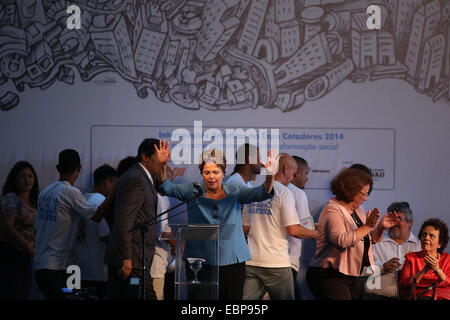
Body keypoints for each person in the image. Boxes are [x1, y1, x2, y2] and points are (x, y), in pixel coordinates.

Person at [155, 141, 279, 300]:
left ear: (223, 171)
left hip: (232, 262)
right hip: (199, 262)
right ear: (201, 173)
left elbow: (261, 193)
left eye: (216, 171)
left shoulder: (235, 190)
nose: (211, 176)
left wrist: (270, 176)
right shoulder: (193, 190)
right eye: (207, 172)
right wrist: (162, 165)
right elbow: (166, 187)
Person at [34, 149, 116, 300]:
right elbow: (96, 216)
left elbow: (42, 227)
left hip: (41, 265)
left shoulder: (44, 193)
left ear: (58, 167)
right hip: (59, 268)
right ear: (79, 168)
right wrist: (113, 194)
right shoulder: (71, 193)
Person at [306, 168, 399, 300]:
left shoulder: (358, 210)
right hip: (329, 275)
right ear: (351, 190)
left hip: (351, 274)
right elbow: (342, 240)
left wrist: (381, 227)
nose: (366, 199)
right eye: (363, 194)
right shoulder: (332, 210)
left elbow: (367, 239)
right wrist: (368, 226)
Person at [243, 154, 318, 300]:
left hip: (252, 261)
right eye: (293, 172)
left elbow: (245, 228)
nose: (294, 176)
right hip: (276, 264)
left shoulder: (253, 192)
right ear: (285, 169)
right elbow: (293, 229)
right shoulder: (285, 193)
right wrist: (316, 234)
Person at [105, 139, 163, 300]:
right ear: (145, 156)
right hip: (132, 259)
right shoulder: (136, 178)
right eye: (158, 157)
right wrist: (127, 258)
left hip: (138, 258)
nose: (162, 161)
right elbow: (124, 221)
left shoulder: (142, 176)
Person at [73, 164, 117, 299]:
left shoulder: (81, 199)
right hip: (97, 272)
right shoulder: (101, 202)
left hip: (76, 269)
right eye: (114, 184)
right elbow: (104, 235)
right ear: (107, 182)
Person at [0, 161, 39, 299]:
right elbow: (7, 227)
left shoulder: (34, 202)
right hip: (11, 254)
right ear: (14, 179)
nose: (27, 180)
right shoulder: (11, 198)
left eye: (30, 176)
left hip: (26, 256)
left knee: (25, 292)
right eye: (22, 176)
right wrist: (29, 248)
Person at [368, 202, 421, 299]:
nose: (394, 223)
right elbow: (363, 270)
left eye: (398, 219)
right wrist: (383, 267)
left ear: (409, 222)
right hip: (377, 296)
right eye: (392, 219)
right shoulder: (375, 243)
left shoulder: (419, 247)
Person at [398, 218, 449, 300]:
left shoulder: (447, 259)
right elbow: (403, 284)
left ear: (440, 244)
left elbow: (448, 283)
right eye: (424, 234)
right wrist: (424, 270)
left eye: (431, 236)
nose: (426, 238)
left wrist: (437, 269)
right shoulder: (410, 258)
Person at [288, 155, 314, 298]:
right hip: (289, 259)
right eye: (306, 173)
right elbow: (307, 228)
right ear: (296, 173)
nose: (307, 178)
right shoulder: (298, 193)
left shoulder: (269, 189)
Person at [225, 143, 261, 236]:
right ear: (250, 159)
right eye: (258, 159)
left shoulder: (247, 184)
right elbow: (233, 219)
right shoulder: (234, 184)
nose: (260, 163)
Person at [150, 193, 172, 300]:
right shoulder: (160, 200)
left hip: (153, 263)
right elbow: (162, 232)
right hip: (155, 263)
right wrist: (178, 241)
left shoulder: (155, 198)